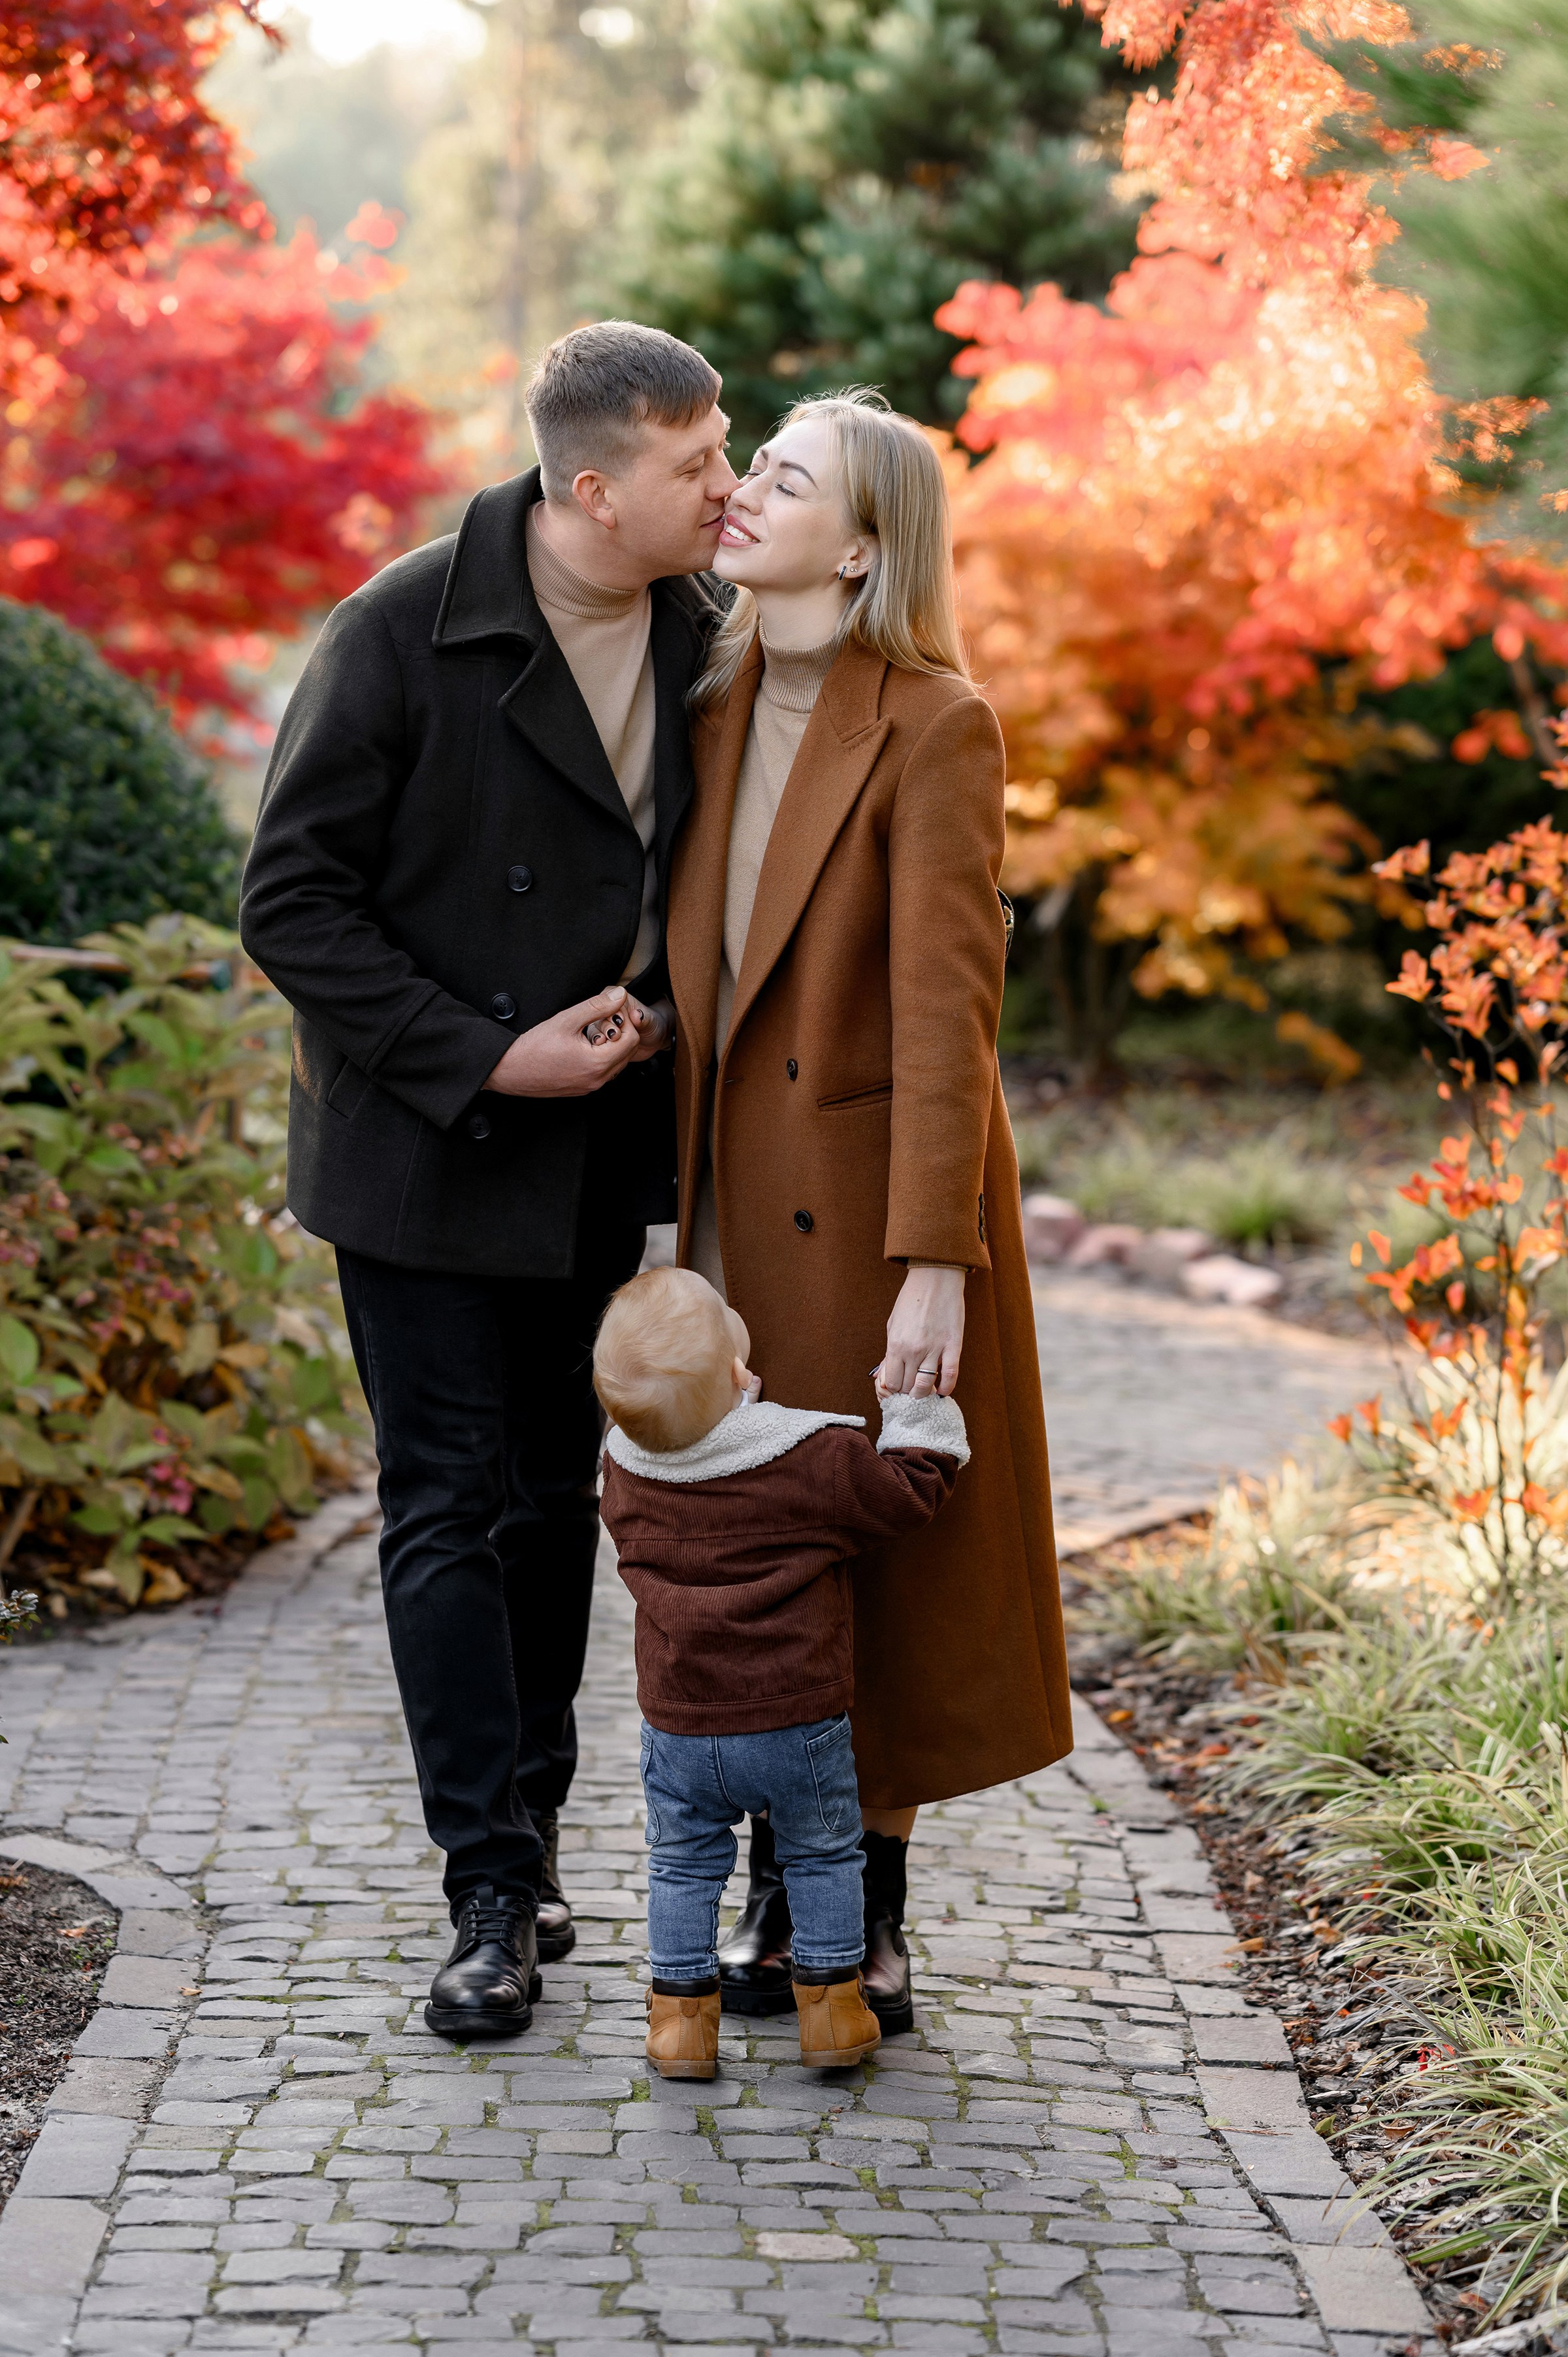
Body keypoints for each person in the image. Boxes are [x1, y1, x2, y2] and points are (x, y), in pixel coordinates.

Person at [238, 321, 738, 2042]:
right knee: (447, 1501)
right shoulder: (398, 629)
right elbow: (291, 903)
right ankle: (489, 1883)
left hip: (597, 1151)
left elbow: (720, 881)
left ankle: (524, 1841)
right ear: (592, 485)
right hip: (427, 1156)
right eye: (698, 464)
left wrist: (667, 1008)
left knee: (549, 1498)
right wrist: (481, 1050)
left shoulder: (712, 637)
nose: (728, 490)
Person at [664, 387, 1073, 2033]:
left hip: (863, 1203)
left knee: (866, 1543)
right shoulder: (696, 699)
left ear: (862, 544)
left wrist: (934, 1268)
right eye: (747, 465)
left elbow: (943, 1021)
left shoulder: (932, 722)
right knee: (741, 1545)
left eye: (786, 478)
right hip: (717, 1208)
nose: (747, 490)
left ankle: (861, 1906)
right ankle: (776, 1884)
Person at [593, 1264, 968, 2079]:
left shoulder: (625, 1473)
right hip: (797, 1719)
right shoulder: (809, 1456)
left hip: (683, 1728)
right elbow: (905, 1493)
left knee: (683, 1864)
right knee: (825, 1855)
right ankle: (831, 2010)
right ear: (740, 1374)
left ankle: (682, 2024)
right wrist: (916, 1414)